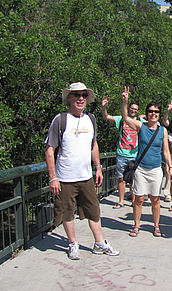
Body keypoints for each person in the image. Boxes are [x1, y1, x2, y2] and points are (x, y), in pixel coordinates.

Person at [45, 82, 120, 260]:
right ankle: (73, 244)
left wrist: (99, 167)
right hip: (65, 177)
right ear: (69, 98)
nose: (80, 99)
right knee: (66, 211)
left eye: (83, 95)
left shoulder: (91, 119)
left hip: (86, 176)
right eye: (77, 95)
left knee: (93, 210)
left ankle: (100, 243)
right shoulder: (60, 119)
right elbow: (50, 150)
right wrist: (53, 177)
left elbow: (93, 144)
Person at [120, 86, 172, 237]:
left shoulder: (163, 130)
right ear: (147, 113)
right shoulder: (140, 126)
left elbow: (166, 151)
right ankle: (136, 226)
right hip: (141, 169)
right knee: (139, 199)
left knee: (155, 199)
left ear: (159, 114)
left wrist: (170, 167)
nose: (153, 114)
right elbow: (125, 118)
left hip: (156, 169)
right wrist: (125, 102)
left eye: (156, 112)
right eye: (151, 111)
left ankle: (156, 226)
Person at [102, 94, 144, 209]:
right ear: (128, 108)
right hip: (121, 154)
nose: (133, 110)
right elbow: (106, 117)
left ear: (138, 111)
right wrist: (104, 107)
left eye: (135, 109)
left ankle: (134, 201)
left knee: (133, 180)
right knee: (120, 178)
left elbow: (153, 124)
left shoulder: (140, 121)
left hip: (134, 155)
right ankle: (121, 201)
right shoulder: (121, 119)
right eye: (132, 108)